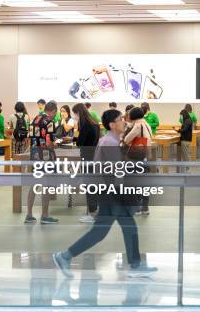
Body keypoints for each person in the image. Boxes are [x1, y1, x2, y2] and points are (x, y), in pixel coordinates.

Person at [52, 109, 158, 279]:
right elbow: (114, 172)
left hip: (108, 192)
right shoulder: (109, 142)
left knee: (101, 232)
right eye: (120, 119)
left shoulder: (112, 141)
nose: (124, 121)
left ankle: (65, 256)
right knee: (122, 228)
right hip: (110, 193)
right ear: (111, 125)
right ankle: (135, 265)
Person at [25, 101, 59, 225]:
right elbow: (49, 144)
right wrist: (55, 144)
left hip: (34, 155)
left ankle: (29, 214)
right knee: (46, 185)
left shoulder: (35, 119)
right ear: (54, 111)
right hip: (45, 157)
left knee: (34, 185)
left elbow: (32, 138)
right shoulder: (49, 122)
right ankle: (45, 215)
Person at [72, 103, 100, 223]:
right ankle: (95, 211)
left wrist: (76, 141)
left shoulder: (85, 125)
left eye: (75, 114)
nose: (75, 117)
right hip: (95, 156)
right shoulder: (94, 123)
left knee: (89, 186)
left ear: (78, 113)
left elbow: (80, 143)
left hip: (87, 157)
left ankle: (92, 214)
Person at [123, 107, 154, 216]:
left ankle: (136, 208)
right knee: (144, 184)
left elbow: (126, 140)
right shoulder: (146, 124)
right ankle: (145, 208)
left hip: (136, 158)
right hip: (146, 157)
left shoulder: (137, 126)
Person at [177, 109, 193, 173]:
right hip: (188, 140)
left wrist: (178, 130)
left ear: (183, 115)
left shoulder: (187, 121)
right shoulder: (189, 120)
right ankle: (187, 168)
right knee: (186, 154)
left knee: (185, 155)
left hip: (185, 140)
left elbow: (184, 130)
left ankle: (188, 168)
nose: (181, 117)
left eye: (181, 115)